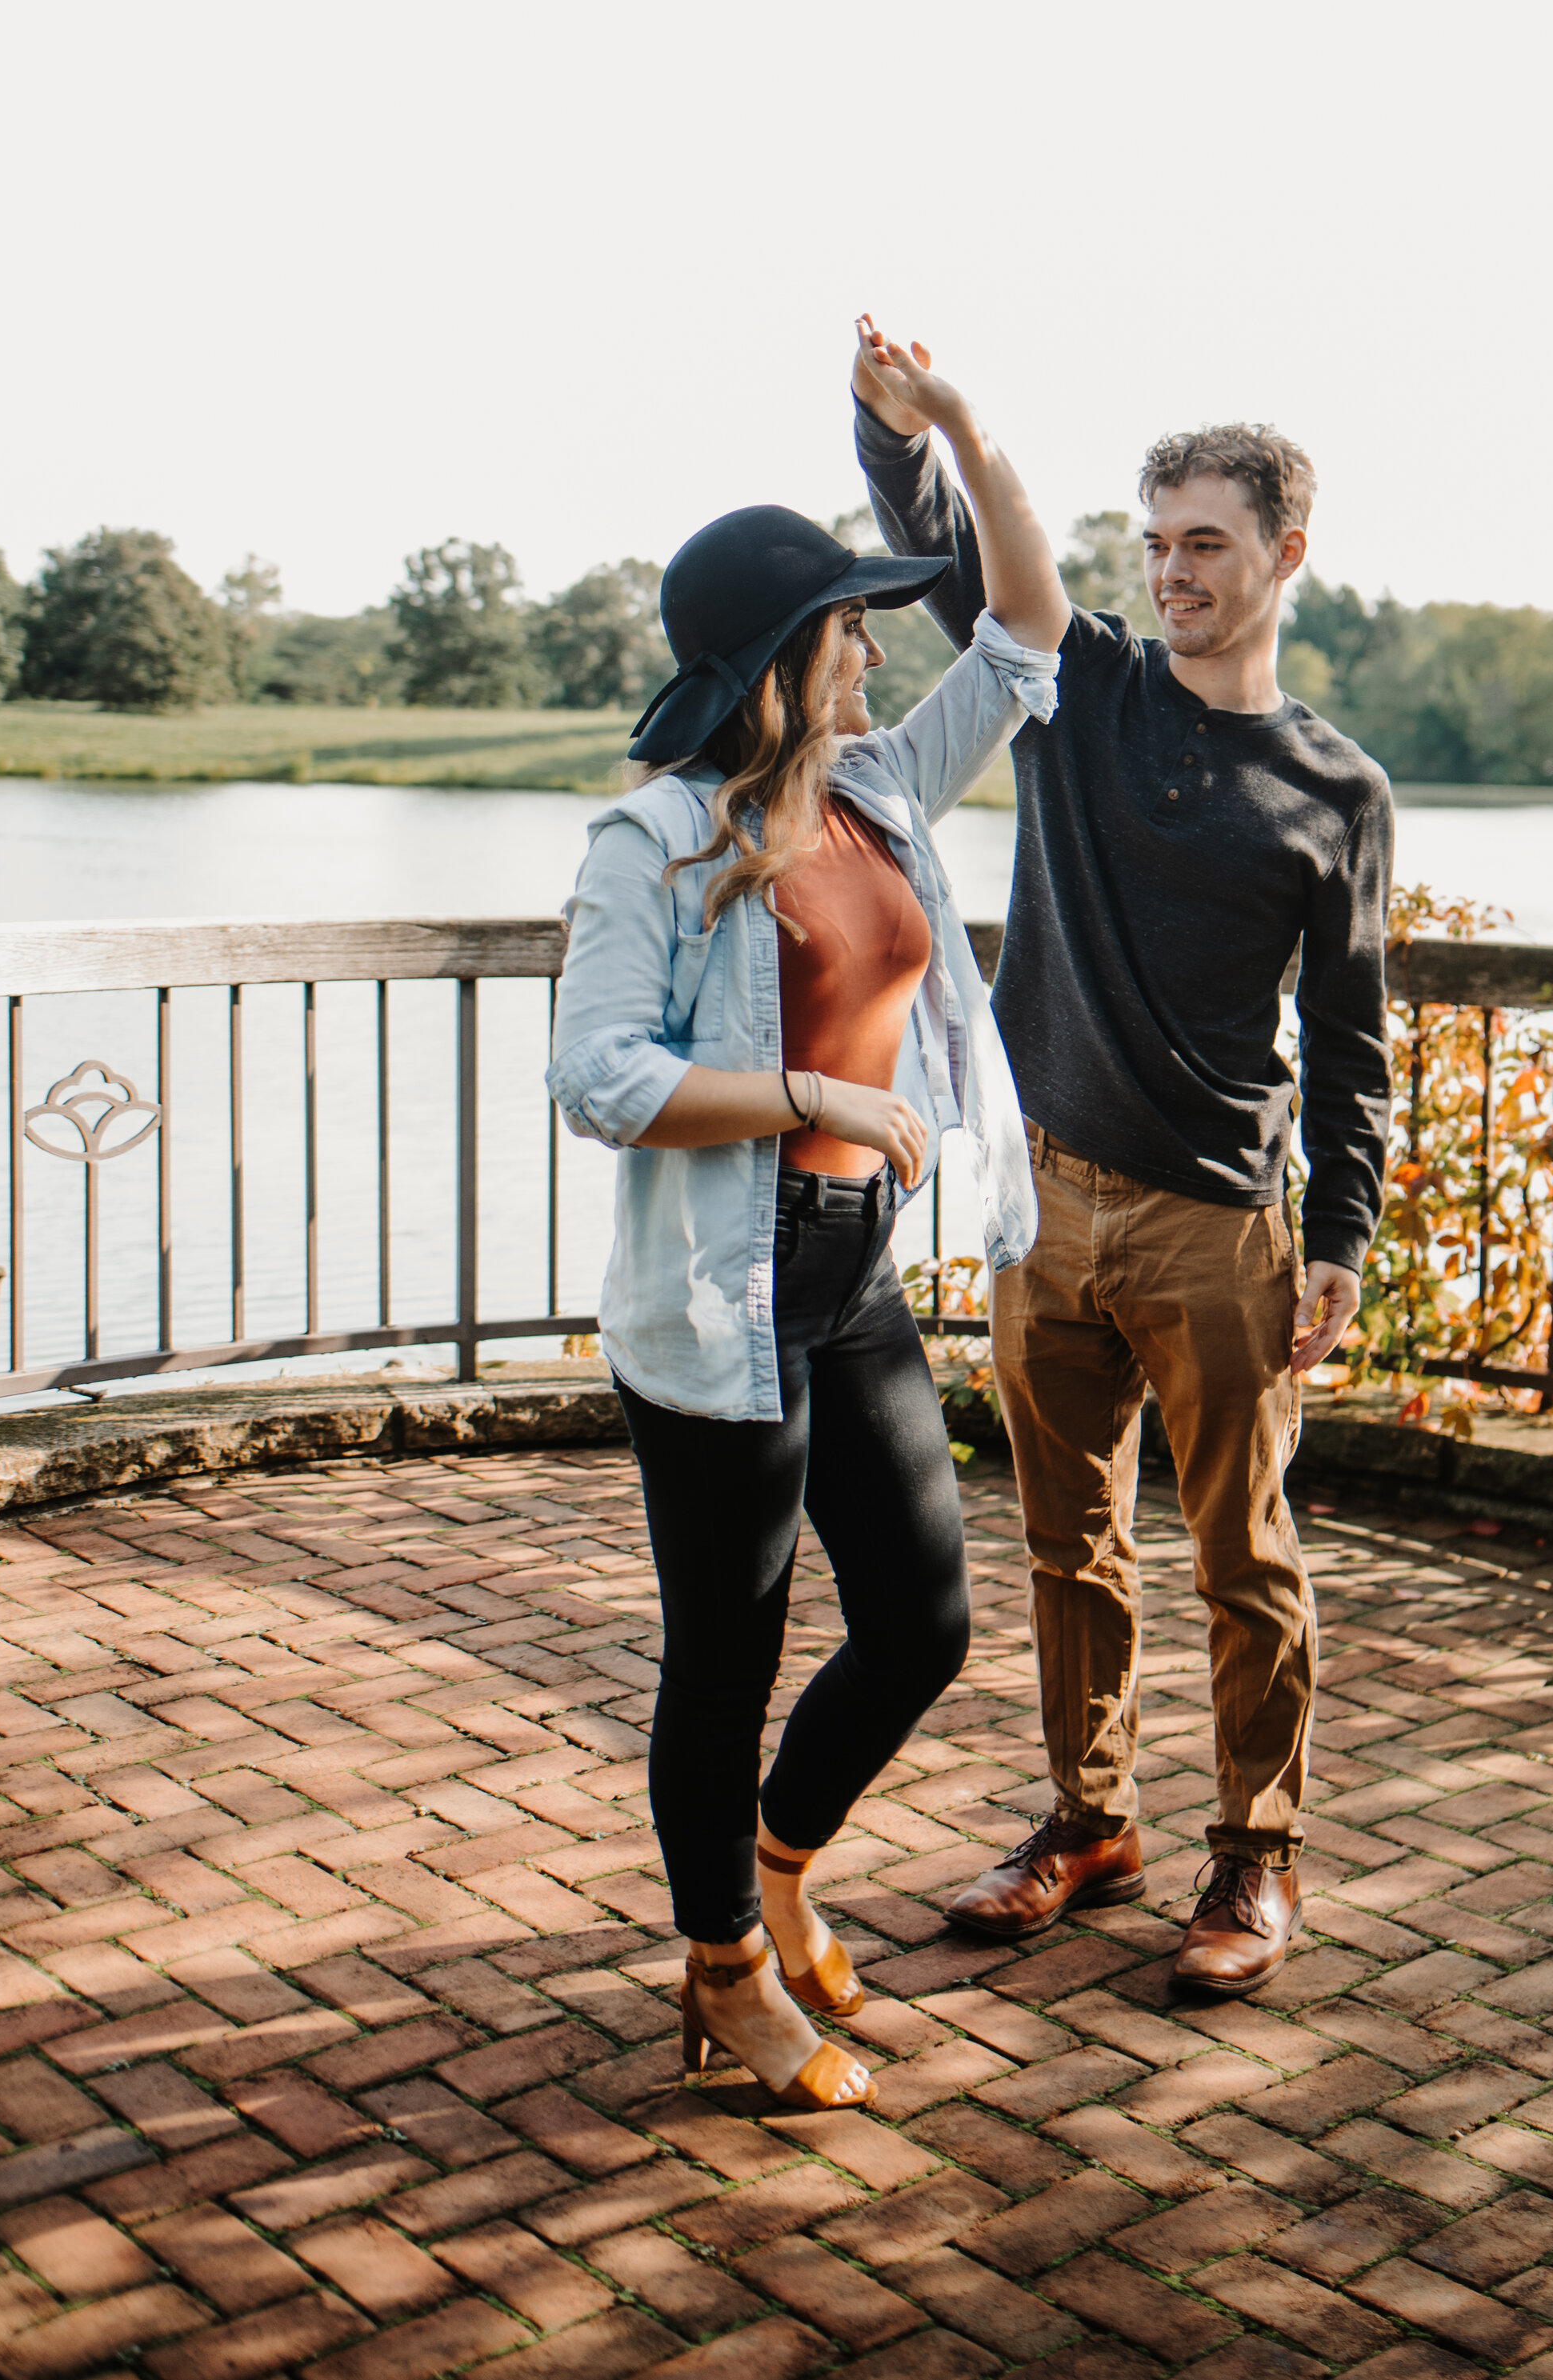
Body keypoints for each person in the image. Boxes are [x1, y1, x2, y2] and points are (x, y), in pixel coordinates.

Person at [549, 331, 1067, 2114]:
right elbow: (598, 1072)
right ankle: (718, 1976)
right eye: (849, 622)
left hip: (852, 1277)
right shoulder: (659, 840)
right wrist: (812, 1097)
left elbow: (1025, 636)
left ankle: (776, 1867)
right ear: (785, 653)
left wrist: (964, 433)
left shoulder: (877, 791)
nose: (872, 643)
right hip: (721, 1282)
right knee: (728, 1648)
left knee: (920, 1618)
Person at [855, 356, 1391, 1996]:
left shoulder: (1334, 791)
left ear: (1283, 556)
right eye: (1155, 542)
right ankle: (1090, 1822)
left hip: (1218, 1220)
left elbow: (1352, 1035)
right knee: (1063, 1536)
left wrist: (1341, 1235)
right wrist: (903, 426)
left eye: (1205, 546)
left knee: (1245, 1553)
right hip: (1043, 1196)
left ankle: (1254, 1857)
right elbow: (951, 554)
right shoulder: (1077, 684)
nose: (1169, 575)